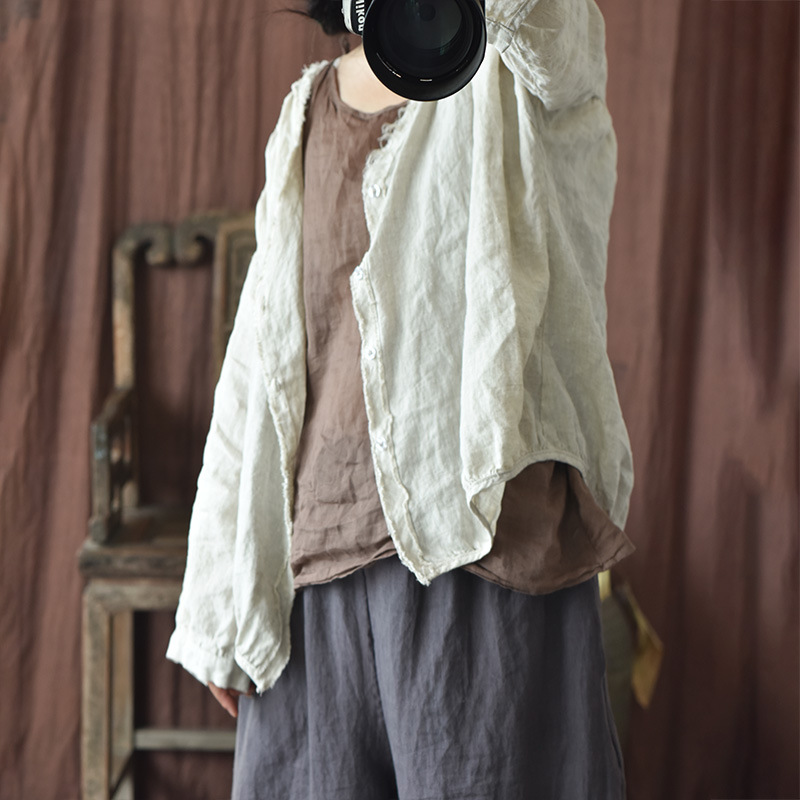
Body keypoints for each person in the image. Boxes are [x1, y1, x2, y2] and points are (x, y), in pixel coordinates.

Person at [167, 0, 636, 796]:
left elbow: (548, 29)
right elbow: (256, 368)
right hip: (312, 581)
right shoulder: (306, 109)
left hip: (483, 553)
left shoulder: (519, 54)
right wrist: (216, 600)